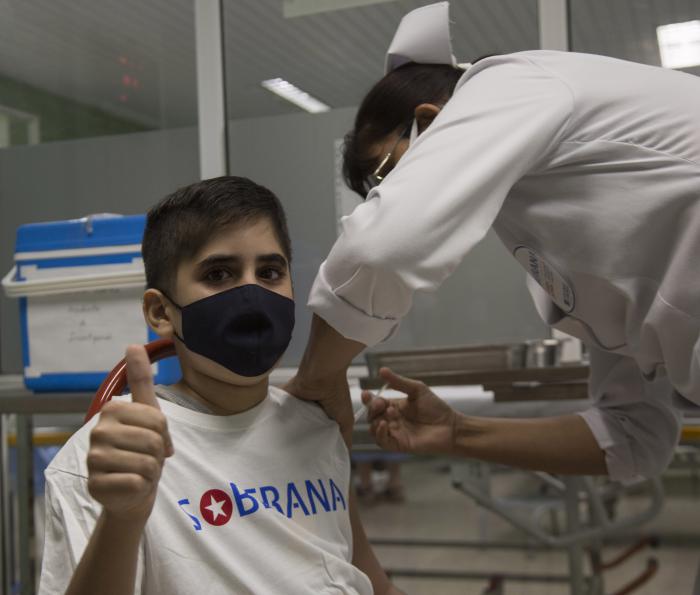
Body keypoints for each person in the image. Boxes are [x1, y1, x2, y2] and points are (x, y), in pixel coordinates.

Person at [286, 1, 700, 484]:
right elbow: (634, 438)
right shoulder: (556, 234)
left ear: (429, 118)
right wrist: (457, 432)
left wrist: (315, 380)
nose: (400, 195)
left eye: (390, 176)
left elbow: (383, 250)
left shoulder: (510, 82)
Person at [38, 177, 402, 595]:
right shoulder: (109, 458)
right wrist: (123, 518)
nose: (251, 293)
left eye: (269, 272)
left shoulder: (315, 426)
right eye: (218, 274)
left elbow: (368, 579)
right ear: (161, 311)